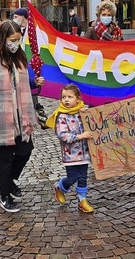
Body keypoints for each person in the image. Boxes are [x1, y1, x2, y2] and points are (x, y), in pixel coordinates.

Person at [0, 21, 45, 213]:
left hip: (20, 114)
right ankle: (4, 196)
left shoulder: (19, 56)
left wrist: (33, 81)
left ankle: (10, 181)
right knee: (4, 159)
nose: (15, 43)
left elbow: (19, 82)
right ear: (3, 39)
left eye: (18, 40)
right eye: (12, 40)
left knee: (25, 151)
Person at [46, 84, 95, 213]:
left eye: (70, 97)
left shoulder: (81, 112)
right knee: (72, 178)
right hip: (71, 155)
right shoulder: (61, 116)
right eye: (63, 97)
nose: (66, 100)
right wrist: (79, 136)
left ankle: (82, 201)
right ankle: (59, 187)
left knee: (83, 177)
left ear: (78, 99)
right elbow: (62, 135)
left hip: (84, 153)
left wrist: (87, 113)